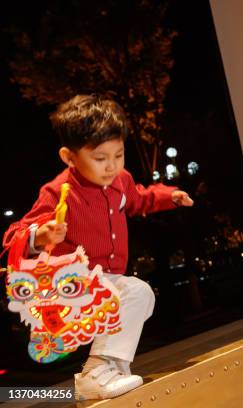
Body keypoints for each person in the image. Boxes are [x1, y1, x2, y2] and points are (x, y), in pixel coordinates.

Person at [3, 94, 193, 400]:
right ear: (69, 157)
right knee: (128, 293)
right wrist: (40, 235)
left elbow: (138, 199)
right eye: (100, 158)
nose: (111, 166)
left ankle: (111, 369)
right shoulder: (59, 191)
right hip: (69, 286)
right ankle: (94, 373)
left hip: (105, 280)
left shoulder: (121, 180)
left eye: (118, 155)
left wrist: (168, 196)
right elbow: (15, 233)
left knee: (142, 294)